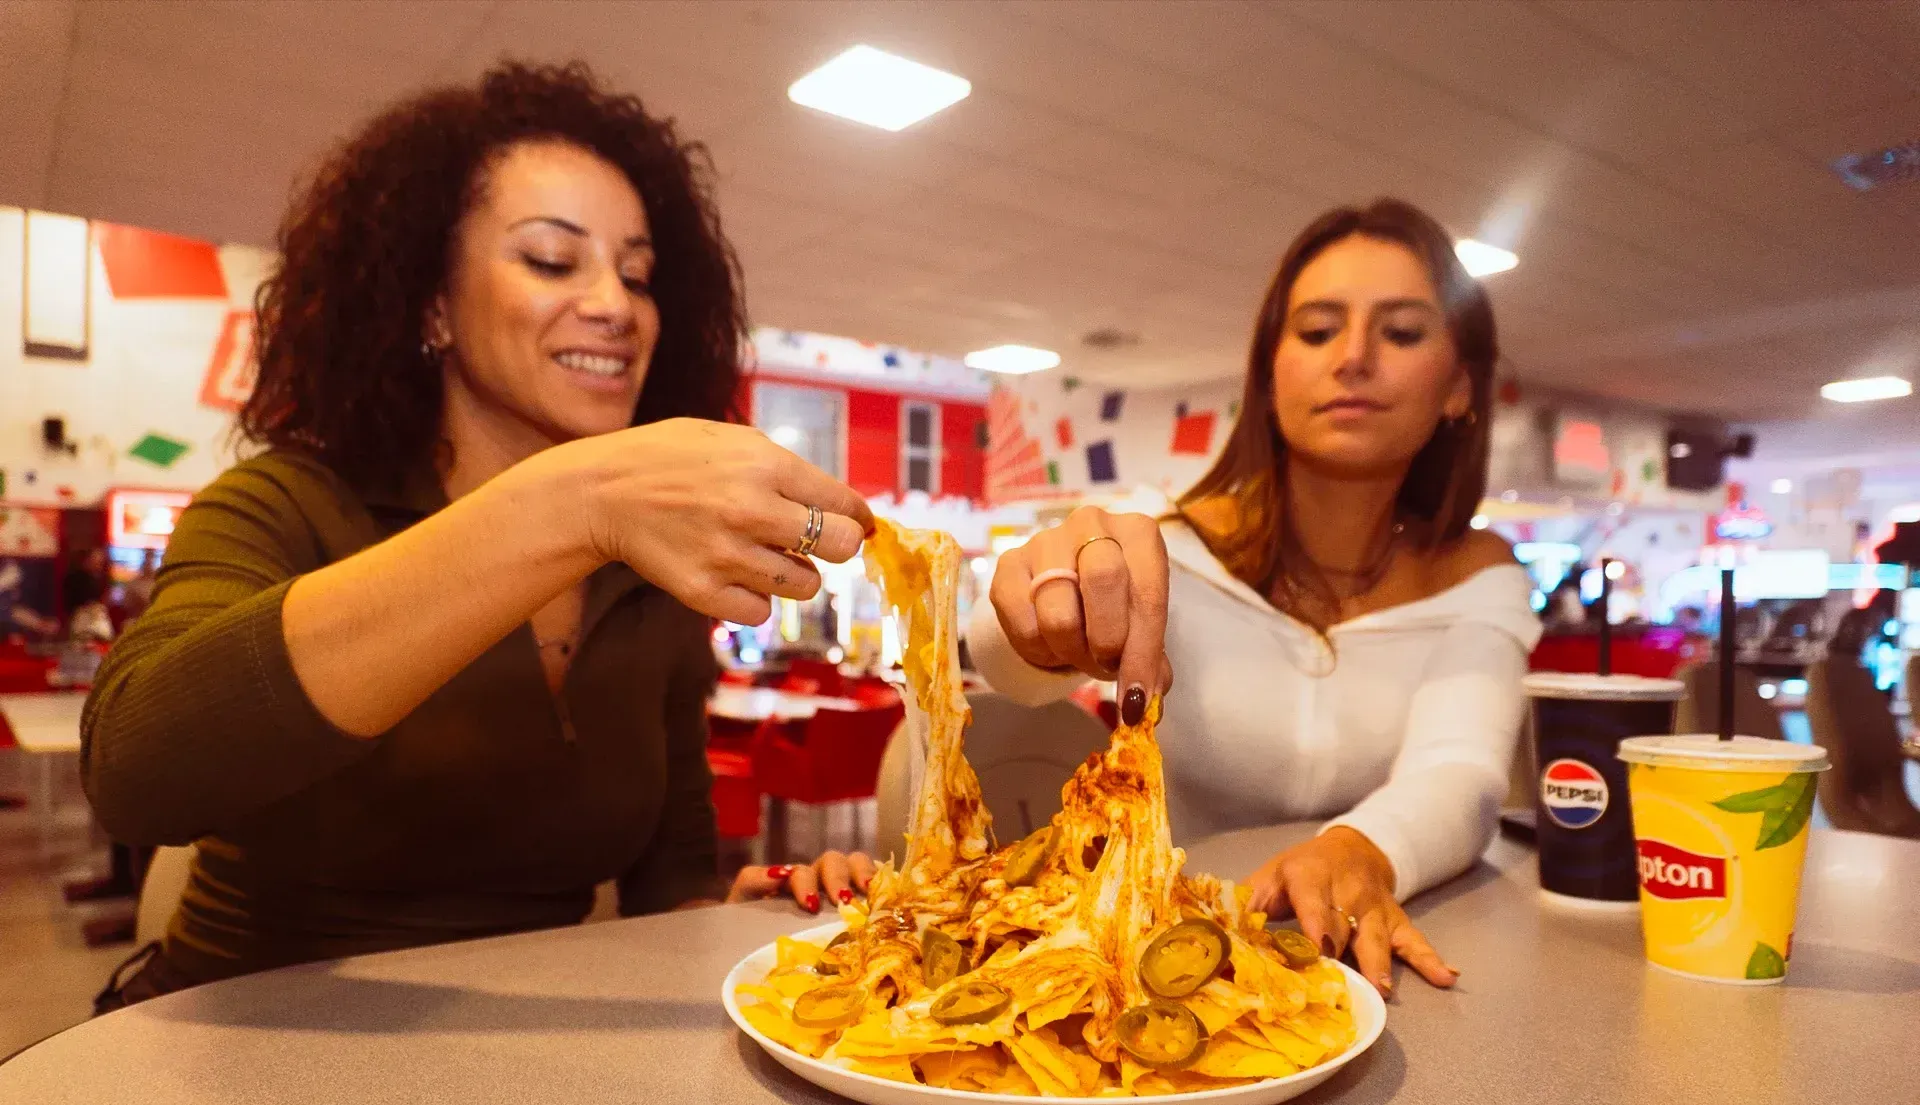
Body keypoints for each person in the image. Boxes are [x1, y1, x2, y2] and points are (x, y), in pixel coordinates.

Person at [83, 62, 873, 1005]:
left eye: (638, 274)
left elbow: (671, 882)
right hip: (231, 1051)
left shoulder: (650, 582)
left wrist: (747, 908)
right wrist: (572, 503)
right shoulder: (285, 504)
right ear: (431, 306)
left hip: (515, 1081)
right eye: (550, 259)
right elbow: (135, 773)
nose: (616, 307)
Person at [972, 198, 1540, 998]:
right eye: (1316, 330)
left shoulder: (1480, 574)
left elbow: (1462, 771)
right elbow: (1011, 673)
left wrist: (1364, 848)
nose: (1353, 357)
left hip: (1371, 963)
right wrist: (1035, 614)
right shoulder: (1167, 542)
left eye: (1403, 331)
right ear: (1270, 378)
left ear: (1459, 388)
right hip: (1165, 960)